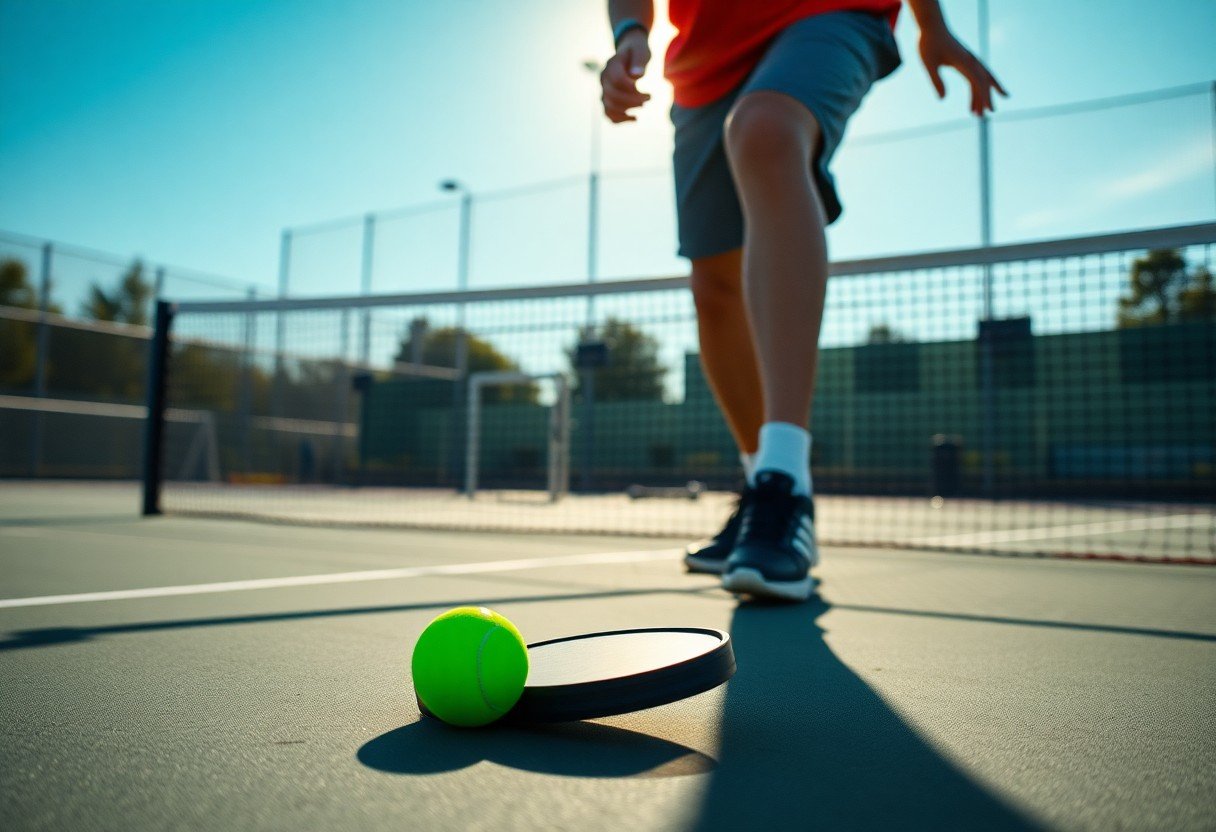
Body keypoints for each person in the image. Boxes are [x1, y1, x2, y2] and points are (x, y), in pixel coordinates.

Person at [599, 0, 1005, 601]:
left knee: (765, 128)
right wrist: (631, 30)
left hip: (830, 14)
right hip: (702, 65)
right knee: (714, 284)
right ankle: (759, 485)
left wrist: (933, 24)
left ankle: (786, 484)